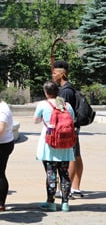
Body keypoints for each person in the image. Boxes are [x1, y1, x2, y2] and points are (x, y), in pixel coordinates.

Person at [34, 80, 75, 212]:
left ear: (46, 92)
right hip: (65, 144)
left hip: (49, 143)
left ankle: (51, 202)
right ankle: (65, 203)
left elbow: (35, 120)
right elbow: (72, 121)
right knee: (64, 173)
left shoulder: (43, 104)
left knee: (50, 173)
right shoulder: (66, 105)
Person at [52, 60, 85, 198]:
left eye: (55, 73)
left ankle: (68, 188)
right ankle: (76, 188)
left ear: (62, 74)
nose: (53, 75)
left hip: (68, 129)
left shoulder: (64, 92)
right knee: (76, 156)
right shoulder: (70, 88)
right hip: (74, 127)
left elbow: (60, 110)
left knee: (71, 157)